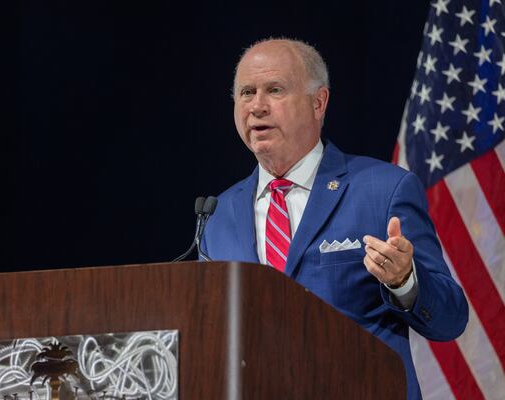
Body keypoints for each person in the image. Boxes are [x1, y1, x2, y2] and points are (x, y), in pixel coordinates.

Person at [201, 38, 468, 399]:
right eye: (247, 92)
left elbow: (451, 318)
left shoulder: (383, 190)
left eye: (274, 90)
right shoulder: (218, 215)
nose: (257, 106)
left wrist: (405, 281)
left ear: (318, 102)